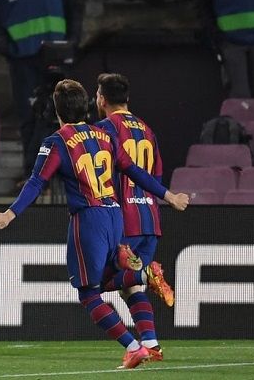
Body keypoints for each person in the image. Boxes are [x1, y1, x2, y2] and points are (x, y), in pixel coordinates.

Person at [0, 79, 189, 369]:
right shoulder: (104, 136)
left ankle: (133, 345)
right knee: (110, 281)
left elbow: (36, 183)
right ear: (86, 107)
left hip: (89, 219)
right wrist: (168, 195)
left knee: (87, 292)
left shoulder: (56, 141)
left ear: (57, 110)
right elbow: (134, 171)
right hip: (115, 215)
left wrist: (10, 213)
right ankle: (142, 286)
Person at [94, 73, 173, 363]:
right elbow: (157, 176)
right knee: (131, 288)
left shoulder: (103, 129)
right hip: (149, 218)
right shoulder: (147, 129)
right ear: (127, 98)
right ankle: (151, 344)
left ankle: (146, 271)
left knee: (96, 283)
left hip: (123, 217)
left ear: (101, 98)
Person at [0, 0, 83, 178]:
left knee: (64, 115)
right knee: (29, 116)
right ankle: (34, 175)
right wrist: (7, 48)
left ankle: (66, 171)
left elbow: (75, 8)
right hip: (23, 61)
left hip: (56, 58)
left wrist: (72, 42)